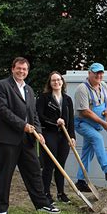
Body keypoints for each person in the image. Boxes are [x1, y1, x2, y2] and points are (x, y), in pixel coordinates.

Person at [0, 57, 60, 214]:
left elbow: (33, 114)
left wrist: (39, 132)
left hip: (27, 139)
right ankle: (1, 207)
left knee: (34, 171)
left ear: (27, 71)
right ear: (12, 69)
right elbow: (3, 110)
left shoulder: (29, 90)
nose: (21, 71)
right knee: (5, 174)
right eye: (19, 68)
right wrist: (22, 125)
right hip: (8, 139)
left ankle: (42, 204)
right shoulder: (2, 86)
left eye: (24, 69)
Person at [73, 62, 107, 191]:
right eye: (96, 73)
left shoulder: (103, 85)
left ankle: (81, 181)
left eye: (101, 73)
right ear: (89, 73)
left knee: (87, 153)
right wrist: (103, 123)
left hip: (95, 124)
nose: (99, 75)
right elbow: (85, 111)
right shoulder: (82, 89)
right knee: (97, 138)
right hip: (82, 123)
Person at [36, 71, 75, 204]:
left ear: (62, 82)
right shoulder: (44, 98)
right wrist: (55, 122)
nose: (56, 82)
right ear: (50, 83)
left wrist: (72, 136)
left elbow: (71, 120)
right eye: (53, 80)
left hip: (64, 136)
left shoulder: (68, 99)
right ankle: (46, 193)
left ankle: (61, 193)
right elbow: (40, 116)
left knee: (61, 165)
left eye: (58, 80)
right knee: (49, 164)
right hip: (49, 134)